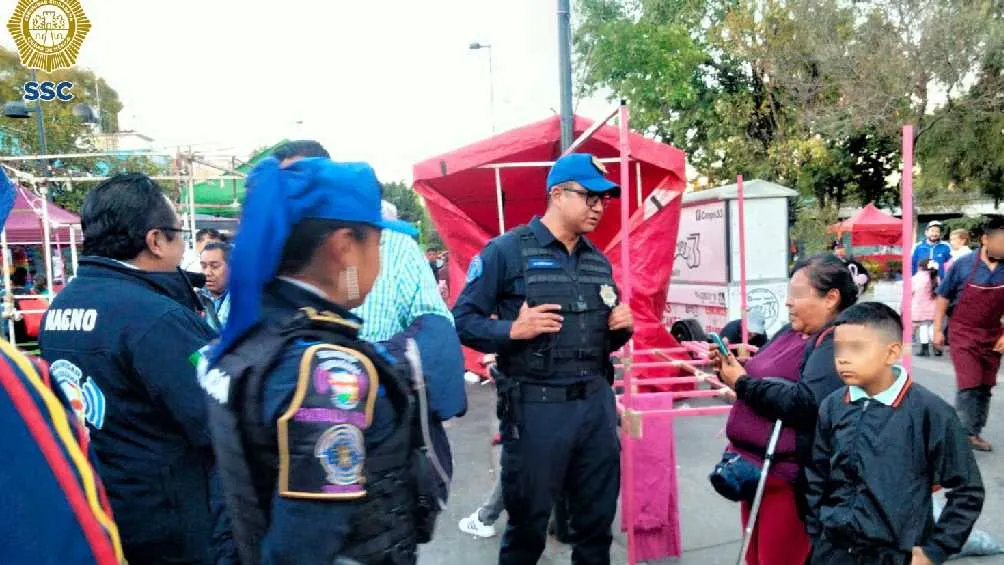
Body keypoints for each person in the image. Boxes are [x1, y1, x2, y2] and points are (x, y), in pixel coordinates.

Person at [206, 157, 445, 565]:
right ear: (345, 247)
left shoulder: (254, 334)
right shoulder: (328, 375)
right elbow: (305, 544)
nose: (380, 260)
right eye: (377, 244)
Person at [453, 152, 633, 564]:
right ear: (556, 194)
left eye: (604, 200)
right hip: (536, 411)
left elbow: (600, 343)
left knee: (595, 526)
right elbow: (461, 322)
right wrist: (511, 330)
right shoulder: (506, 253)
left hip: (595, 409)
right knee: (528, 527)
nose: (598, 207)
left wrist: (620, 329)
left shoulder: (597, 262)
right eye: (590, 196)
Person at [38, 173, 227, 564]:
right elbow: (221, 418)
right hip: (169, 524)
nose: (184, 247)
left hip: (101, 508)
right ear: (156, 241)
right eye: (179, 235)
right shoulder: (157, 319)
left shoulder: (60, 307)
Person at [806, 302, 985, 565]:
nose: (842, 357)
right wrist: (817, 529)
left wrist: (935, 550)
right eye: (838, 348)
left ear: (892, 353)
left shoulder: (930, 411)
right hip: (833, 549)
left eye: (856, 348)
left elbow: (967, 490)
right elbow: (817, 474)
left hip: (895, 554)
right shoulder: (833, 405)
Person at [713, 254, 859, 565]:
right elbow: (756, 375)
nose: (788, 303)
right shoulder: (791, 332)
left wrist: (741, 383)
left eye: (797, 294)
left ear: (831, 298)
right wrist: (730, 368)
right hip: (754, 467)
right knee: (753, 558)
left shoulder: (838, 341)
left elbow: (805, 403)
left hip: (790, 478)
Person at [933, 215, 1004, 452]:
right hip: (963, 331)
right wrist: (936, 330)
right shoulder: (963, 265)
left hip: (993, 334)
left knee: (984, 385)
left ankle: (974, 432)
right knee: (969, 383)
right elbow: (943, 297)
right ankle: (962, 435)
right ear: (986, 239)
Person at [199, 241, 232, 332]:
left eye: (214, 266)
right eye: (203, 266)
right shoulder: (194, 298)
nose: (207, 273)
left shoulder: (245, 299)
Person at [911, 259, 940, 357]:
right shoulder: (936, 278)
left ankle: (925, 350)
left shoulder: (916, 278)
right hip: (934, 307)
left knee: (923, 327)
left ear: (920, 267)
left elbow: (910, 291)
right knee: (932, 327)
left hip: (920, 307)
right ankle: (937, 348)